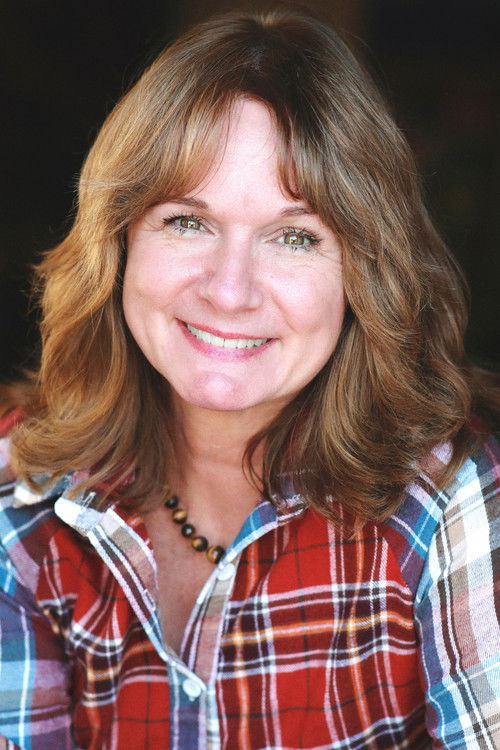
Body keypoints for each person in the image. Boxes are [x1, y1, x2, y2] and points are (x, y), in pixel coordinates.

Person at [0, 8, 498, 750]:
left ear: (366, 275)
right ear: (118, 242)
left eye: (294, 236)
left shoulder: (448, 498)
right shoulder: (21, 488)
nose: (230, 291)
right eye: (186, 221)